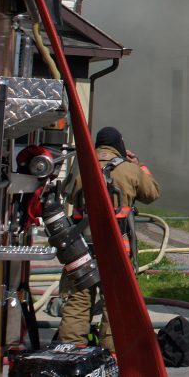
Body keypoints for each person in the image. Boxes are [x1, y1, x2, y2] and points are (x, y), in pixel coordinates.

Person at [58, 126, 160, 351]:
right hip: (116, 250)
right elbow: (152, 193)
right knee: (115, 304)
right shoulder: (129, 170)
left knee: (78, 299)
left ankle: (70, 352)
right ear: (119, 145)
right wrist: (139, 166)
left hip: (80, 249)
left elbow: (66, 191)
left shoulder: (81, 165)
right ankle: (113, 355)